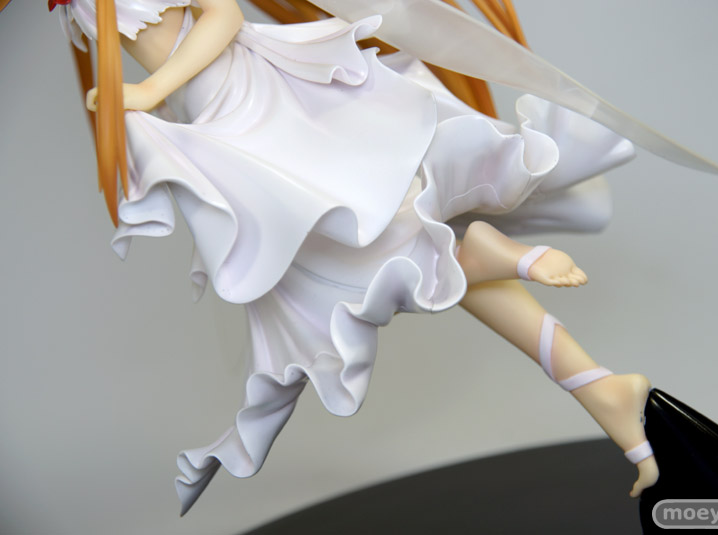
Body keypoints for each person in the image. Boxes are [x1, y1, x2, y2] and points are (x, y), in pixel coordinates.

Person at [41, 0, 664, 514]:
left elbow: (222, 14)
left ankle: (495, 262)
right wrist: (143, 106)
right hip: (212, 117)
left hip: (248, 104)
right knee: (384, 265)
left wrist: (151, 89)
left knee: (373, 255)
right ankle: (598, 388)